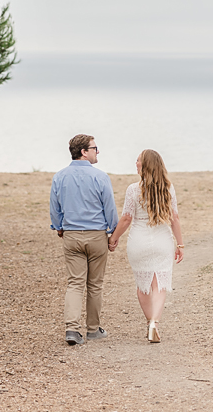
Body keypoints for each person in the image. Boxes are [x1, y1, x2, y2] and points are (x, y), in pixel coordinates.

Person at [108, 149, 184, 343]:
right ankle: (154, 324)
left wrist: (113, 237)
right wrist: (180, 244)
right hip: (162, 240)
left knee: (143, 285)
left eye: (138, 161)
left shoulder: (133, 189)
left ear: (146, 165)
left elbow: (126, 218)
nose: (136, 164)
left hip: (139, 241)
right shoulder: (168, 188)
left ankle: (150, 322)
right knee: (159, 284)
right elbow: (174, 218)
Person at [50, 134, 118, 345]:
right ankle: (93, 329)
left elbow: (54, 207)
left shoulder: (59, 177)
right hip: (96, 235)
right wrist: (113, 232)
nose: (98, 151)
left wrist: (59, 227)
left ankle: (72, 329)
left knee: (75, 283)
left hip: (71, 235)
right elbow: (110, 208)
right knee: (95, 285)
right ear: (84, 152)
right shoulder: (100, 177)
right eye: (94, 148)